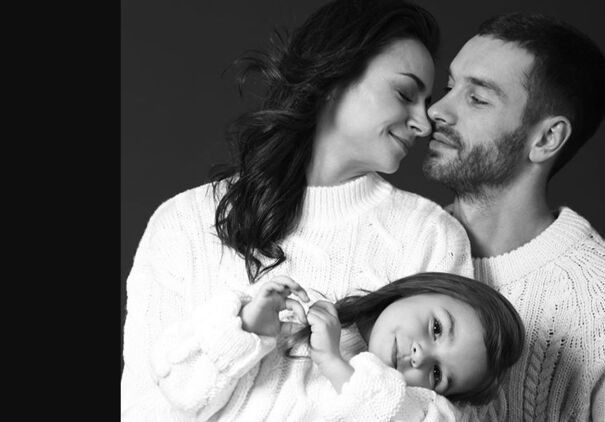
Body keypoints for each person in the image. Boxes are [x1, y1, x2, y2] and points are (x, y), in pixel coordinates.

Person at [122, 0, 474, 419]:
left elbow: (444, 413)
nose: (424, 123)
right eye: (404, 94)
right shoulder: (184, 221)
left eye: (425, 102)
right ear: (333, 78)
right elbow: (143, 408)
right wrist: (240, 330)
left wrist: (344, 372)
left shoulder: (430, 236)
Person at [422, 12, 605, 422]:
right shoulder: (399, 243)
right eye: (450, 87)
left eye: (477, 98)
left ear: (546, 138)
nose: (437, 110)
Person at [150, 272, 525, 421]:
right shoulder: (293, 317)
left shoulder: (418, 409)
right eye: (436, 328)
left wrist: (334, 363)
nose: (420, 356)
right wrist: (248, 327)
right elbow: (180, 389)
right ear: (419, 289)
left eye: (438, 374)